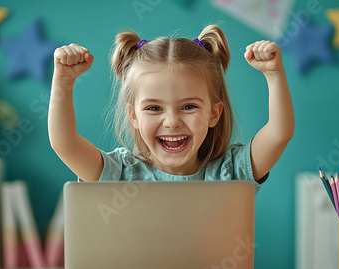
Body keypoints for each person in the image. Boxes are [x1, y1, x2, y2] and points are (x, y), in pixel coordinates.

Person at [48, 25, 294, 191]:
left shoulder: (231, 172)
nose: (172, 121)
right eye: (154, 108)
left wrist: (274, 74)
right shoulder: (120, 174)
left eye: (188, 106)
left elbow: (279, 133)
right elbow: (65, 144)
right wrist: (63, 81)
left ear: (214, 113)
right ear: (133, 115)